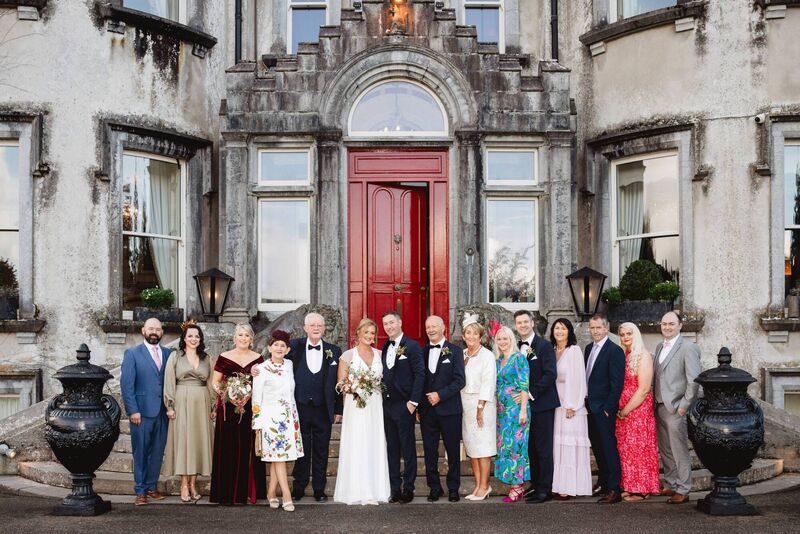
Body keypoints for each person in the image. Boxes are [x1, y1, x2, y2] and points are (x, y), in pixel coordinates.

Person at [334, 318, 391, 505]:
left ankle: (376, 489)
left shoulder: (380, 354)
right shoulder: (347, 356)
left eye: (372, 333)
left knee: (374, 442)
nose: (369, 336)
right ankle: (356, 489)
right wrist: (354, 387)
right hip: (356, 405)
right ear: (358, 333)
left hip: (375, 404)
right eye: (366, 332)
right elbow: (340, 384)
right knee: (357, 442)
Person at [286, 312, 343, 502]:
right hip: (300, 406)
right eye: (312, 325)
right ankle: (299, 487)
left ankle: (319, 488)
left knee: (321, 450)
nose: (316, 328)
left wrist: (338, 410)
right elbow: (276, 361)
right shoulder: (294, 347)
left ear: (324, 328)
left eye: (319, 325)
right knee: (301, 449)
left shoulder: (334, 351)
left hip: (323, 408)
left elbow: (339, 382)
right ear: (305, 328)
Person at [210, 323, 267, 505]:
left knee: (247, 449)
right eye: (240, 335)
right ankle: (225, 494)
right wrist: (228, 394)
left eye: (247, 336)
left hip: (250, 409)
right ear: (234, 338)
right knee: (227, 448)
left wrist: (247, 396)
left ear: (252, 339)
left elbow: (263, 382)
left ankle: (245, 493)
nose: (243, 338)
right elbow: (215, 382)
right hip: (228, 410)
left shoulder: (258, 358)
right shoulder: (224, 357)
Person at [120, 317, 172, 506]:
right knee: (141, 452)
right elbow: (127, 385)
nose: (154, 332)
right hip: (141, 413)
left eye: (158, 329)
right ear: (143, 331)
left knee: (157, 452)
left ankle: (151, 487)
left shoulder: (168, 353)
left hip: (163, 412)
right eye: (151, 328)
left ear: (162, 332)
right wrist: (133, 410)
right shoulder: (132, 353)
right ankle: (140, 490)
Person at [252, 329, 303, 512]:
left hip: (289, 418)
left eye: (283, 345)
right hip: (270, 419)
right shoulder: (261, 369)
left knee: (277, 459)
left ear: (288, 349)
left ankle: (271, 492)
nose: (279, 348)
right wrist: (257, 424)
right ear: (269, 347)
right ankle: (287, 496)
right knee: (279, 458)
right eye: (276, 345)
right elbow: (256, 398)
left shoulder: (289, 365)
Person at [163, 321, 214, 502]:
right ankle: (184, 484)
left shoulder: (207, 358)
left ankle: (194, 484)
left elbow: (211, 383)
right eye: (190, 336)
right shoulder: (175, 356)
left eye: (197, 336)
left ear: (201, 340)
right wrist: (170, 406)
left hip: (202, 401)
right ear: (184, 338)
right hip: (181, 400)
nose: (194, 339)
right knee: (185, 443)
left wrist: (213, 406)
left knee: (198, 442)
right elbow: (169, 381)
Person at [653, 311, 701, 504]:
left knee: (679, 449)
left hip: (675, 408)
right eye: (664, 324)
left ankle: (684, 488)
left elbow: (693, 380)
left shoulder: (688, 347)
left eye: (671, 324)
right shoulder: (658, 347)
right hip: (658, 405)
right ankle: (671, 483)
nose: (667, 327)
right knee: (664, 449)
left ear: (680, 326)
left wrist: (684, 406)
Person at [513, 310, 559, 504]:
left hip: (541, 404)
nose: (522, 325)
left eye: (525, 322)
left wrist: (530, 394)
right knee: (530, 447)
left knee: (543, 448)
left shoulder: (544, 346)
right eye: (519, 323)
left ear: (532, 323)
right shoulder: (516, 347)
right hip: (522, 407)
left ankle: (545, 489)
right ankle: (536, 484)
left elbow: (550, 374)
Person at [419, 315, 466, 503]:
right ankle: (434, 487)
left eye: (434, 326)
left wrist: (440, 394)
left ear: (443, 328)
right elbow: (419, 381)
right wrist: (418, 406)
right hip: (427, 411)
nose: (430, 330)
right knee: (430, 451)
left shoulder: (455, 351)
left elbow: (460, 381)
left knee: (453, 450)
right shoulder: (421, 352)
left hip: (450, 409)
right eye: (427, 327)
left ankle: (453, 488)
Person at [380, 311, 425, 504]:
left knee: (407, 449)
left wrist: (413, 403)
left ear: (400, 322)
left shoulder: (413, 346)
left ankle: (408, 488)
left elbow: (420, 375)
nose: (388, 326)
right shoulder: (385, 346)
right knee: (391, 449)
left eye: (391, 322)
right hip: (387, 406)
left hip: (404, 405)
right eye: (385, 324)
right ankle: (394, 488)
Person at [616, 322, 660, 501]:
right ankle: (630, 485)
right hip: (623, 412)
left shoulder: (643, 356)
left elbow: (643, 389)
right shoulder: (625, 355)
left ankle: (642, 489)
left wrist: (625, 410)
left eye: (629, 334)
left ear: (636, 335)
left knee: (639, 449)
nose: (626, 337)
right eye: (622, 334)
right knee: (626, 450)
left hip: (638, 410)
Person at [584, 314, 626, 504]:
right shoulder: (588, 348)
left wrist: (609, 407)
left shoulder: (614, 351)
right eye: (592, 328)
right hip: (590, 407)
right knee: (598, 448)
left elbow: (617, 383)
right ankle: (602, 482)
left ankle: (614, 488)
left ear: (606, 328)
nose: (595, 331)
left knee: (608, 448)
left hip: (604, 409)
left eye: (598, 328)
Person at [550, 318, 592, 500]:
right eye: (556, 328)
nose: (559, 331)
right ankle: (559, 484)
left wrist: (572, 405)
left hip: (570, 406)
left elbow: (578, 379)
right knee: (558, 446)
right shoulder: (552, 351)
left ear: (569, 331)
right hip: (556, 404)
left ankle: (570, 486)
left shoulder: (573, 351)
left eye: (563, 328)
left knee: (569, 445)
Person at [460, 314, 497, 501]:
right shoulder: (462, 355)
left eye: (475, 333)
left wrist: (480, 407)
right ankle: (477, 486)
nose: (471, 336)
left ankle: (485, 486)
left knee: (483, 447)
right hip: (465, 405)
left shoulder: (487, 356)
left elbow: (488, 382)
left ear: (480, 336)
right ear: (464, 335)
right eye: (468, 333)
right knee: (472, 447)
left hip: (482, 405)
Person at [492, 324, 530, 503]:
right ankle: (513, 485)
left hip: (516, 411)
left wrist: (523, 409)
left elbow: (524, 385)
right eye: (499, 339)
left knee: (516, 447)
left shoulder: (519, 358)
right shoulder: (497, 360)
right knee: (505, 448)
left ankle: (517, 487)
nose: (502, 342)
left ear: (511, 340)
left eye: (505, 338)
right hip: (502, 412)